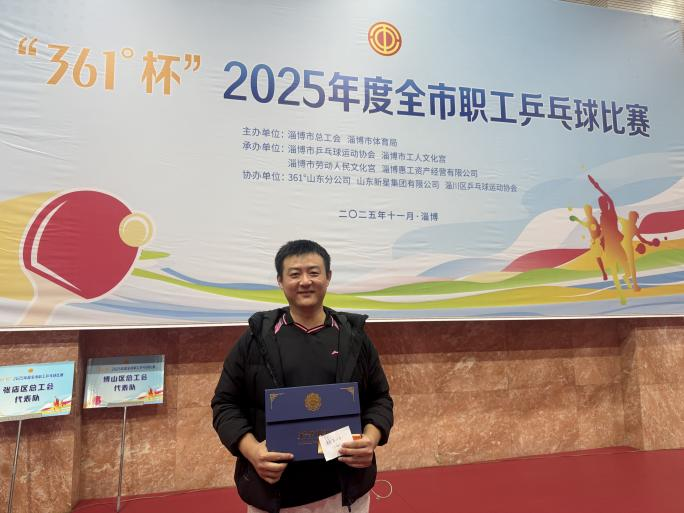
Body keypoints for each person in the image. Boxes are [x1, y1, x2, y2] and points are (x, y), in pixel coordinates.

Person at [212, 240, 393, 513]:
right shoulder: (255, 339)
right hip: (275, 494)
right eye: (295, 274)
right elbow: (225, 404)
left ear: (328, 277)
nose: (305, 281)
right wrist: (253, 452)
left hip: (344, 491)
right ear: (280, 281)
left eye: (314, 272)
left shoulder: (354, 337)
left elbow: (380, 398)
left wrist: (370, 439)